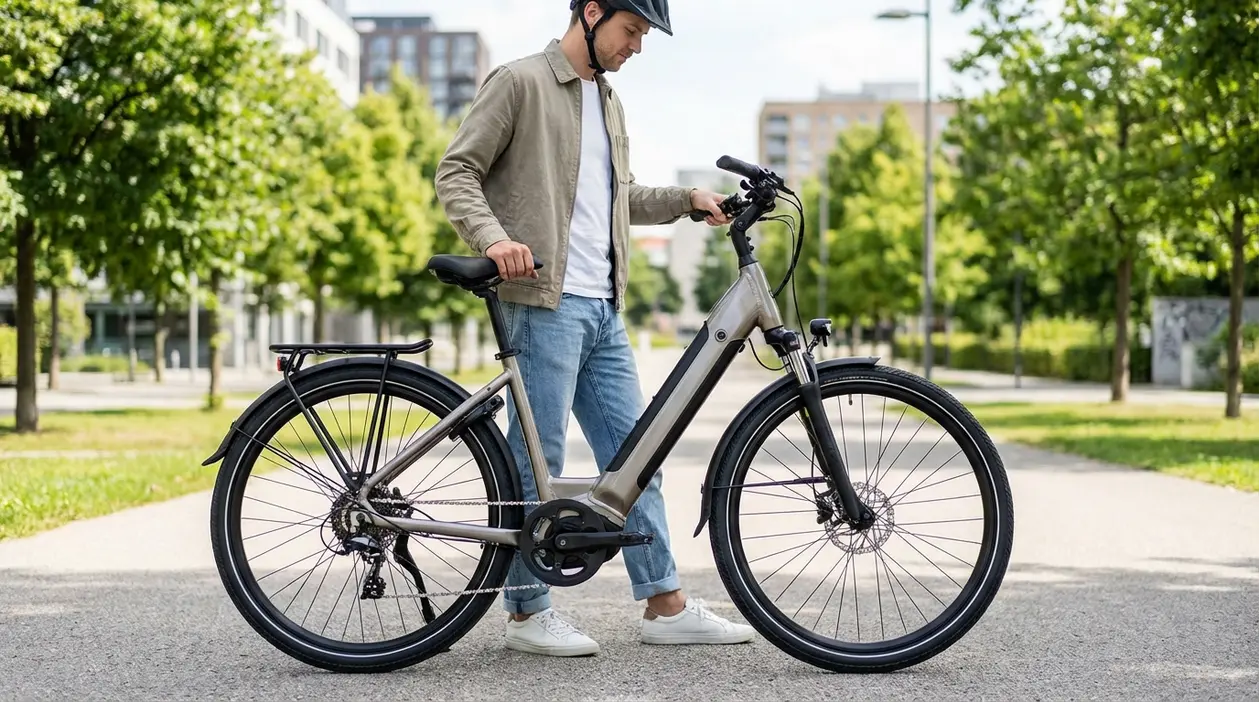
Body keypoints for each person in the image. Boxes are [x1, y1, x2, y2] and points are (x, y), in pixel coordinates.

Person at [434, 0, 756, 657]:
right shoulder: (520, 82)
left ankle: (663, 604)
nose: (635, 46)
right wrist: (495, 240)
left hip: (603, 308)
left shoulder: (607, 103)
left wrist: (686, 202)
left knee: (636, 461)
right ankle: (527, 612)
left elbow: (618, 195)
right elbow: (456, 171)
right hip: (542, 300)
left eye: (642, 36)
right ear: (590, 12)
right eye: (630, 30)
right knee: (536, 465)